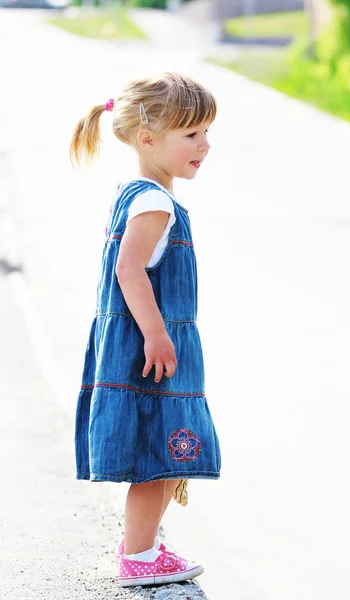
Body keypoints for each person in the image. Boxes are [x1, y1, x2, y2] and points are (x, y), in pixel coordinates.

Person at [70, 72, 221, 588]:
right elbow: (129, 270)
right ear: (148, 138)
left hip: (142, 342)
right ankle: (138, 556)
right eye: (192, 134)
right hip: (146, 346)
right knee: (157, 457)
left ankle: (145, 545)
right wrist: (157, 334)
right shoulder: (154, 203)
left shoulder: (140, 195)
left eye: (206, 132)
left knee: (159, 453)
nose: (205, 144)